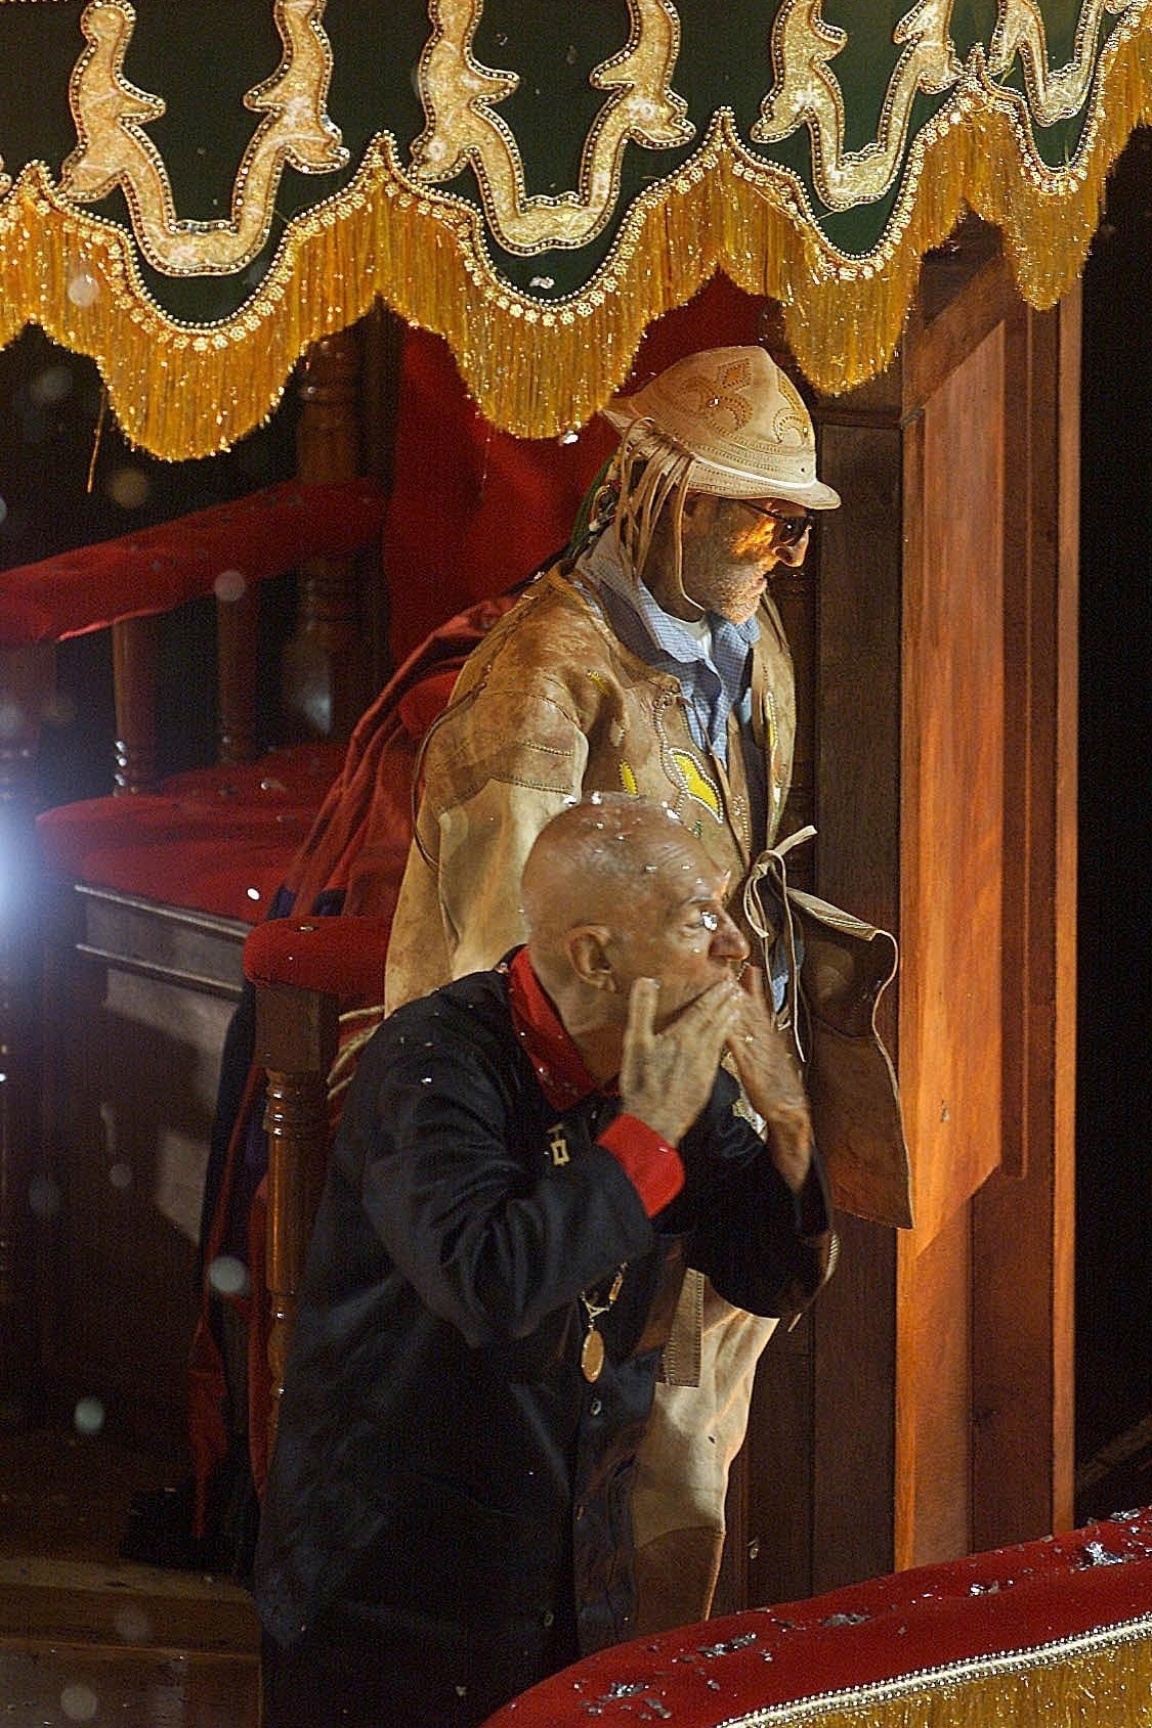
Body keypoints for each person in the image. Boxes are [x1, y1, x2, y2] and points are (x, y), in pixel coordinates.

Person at [383, 344, 842, 1629]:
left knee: (692, 1459)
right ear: (669, 496)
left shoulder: (753, 648)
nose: (782, 551)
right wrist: (601, 1184)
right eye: (760, 513)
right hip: (580, 1178)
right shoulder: (536, 692)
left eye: (798, 522)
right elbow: (494, 979)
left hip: (700, 1121)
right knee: (596, 1502)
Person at [254, 796, 833, 1728]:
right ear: (595, 956)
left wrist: (793, 1135)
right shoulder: (432, 1067)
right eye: (701, 919)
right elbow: (489, 1283)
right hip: (392, 1589)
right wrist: (647, 1135)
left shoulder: (667, 1076)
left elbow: (769, 1277)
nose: (736, 945)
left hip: (564, 1568)